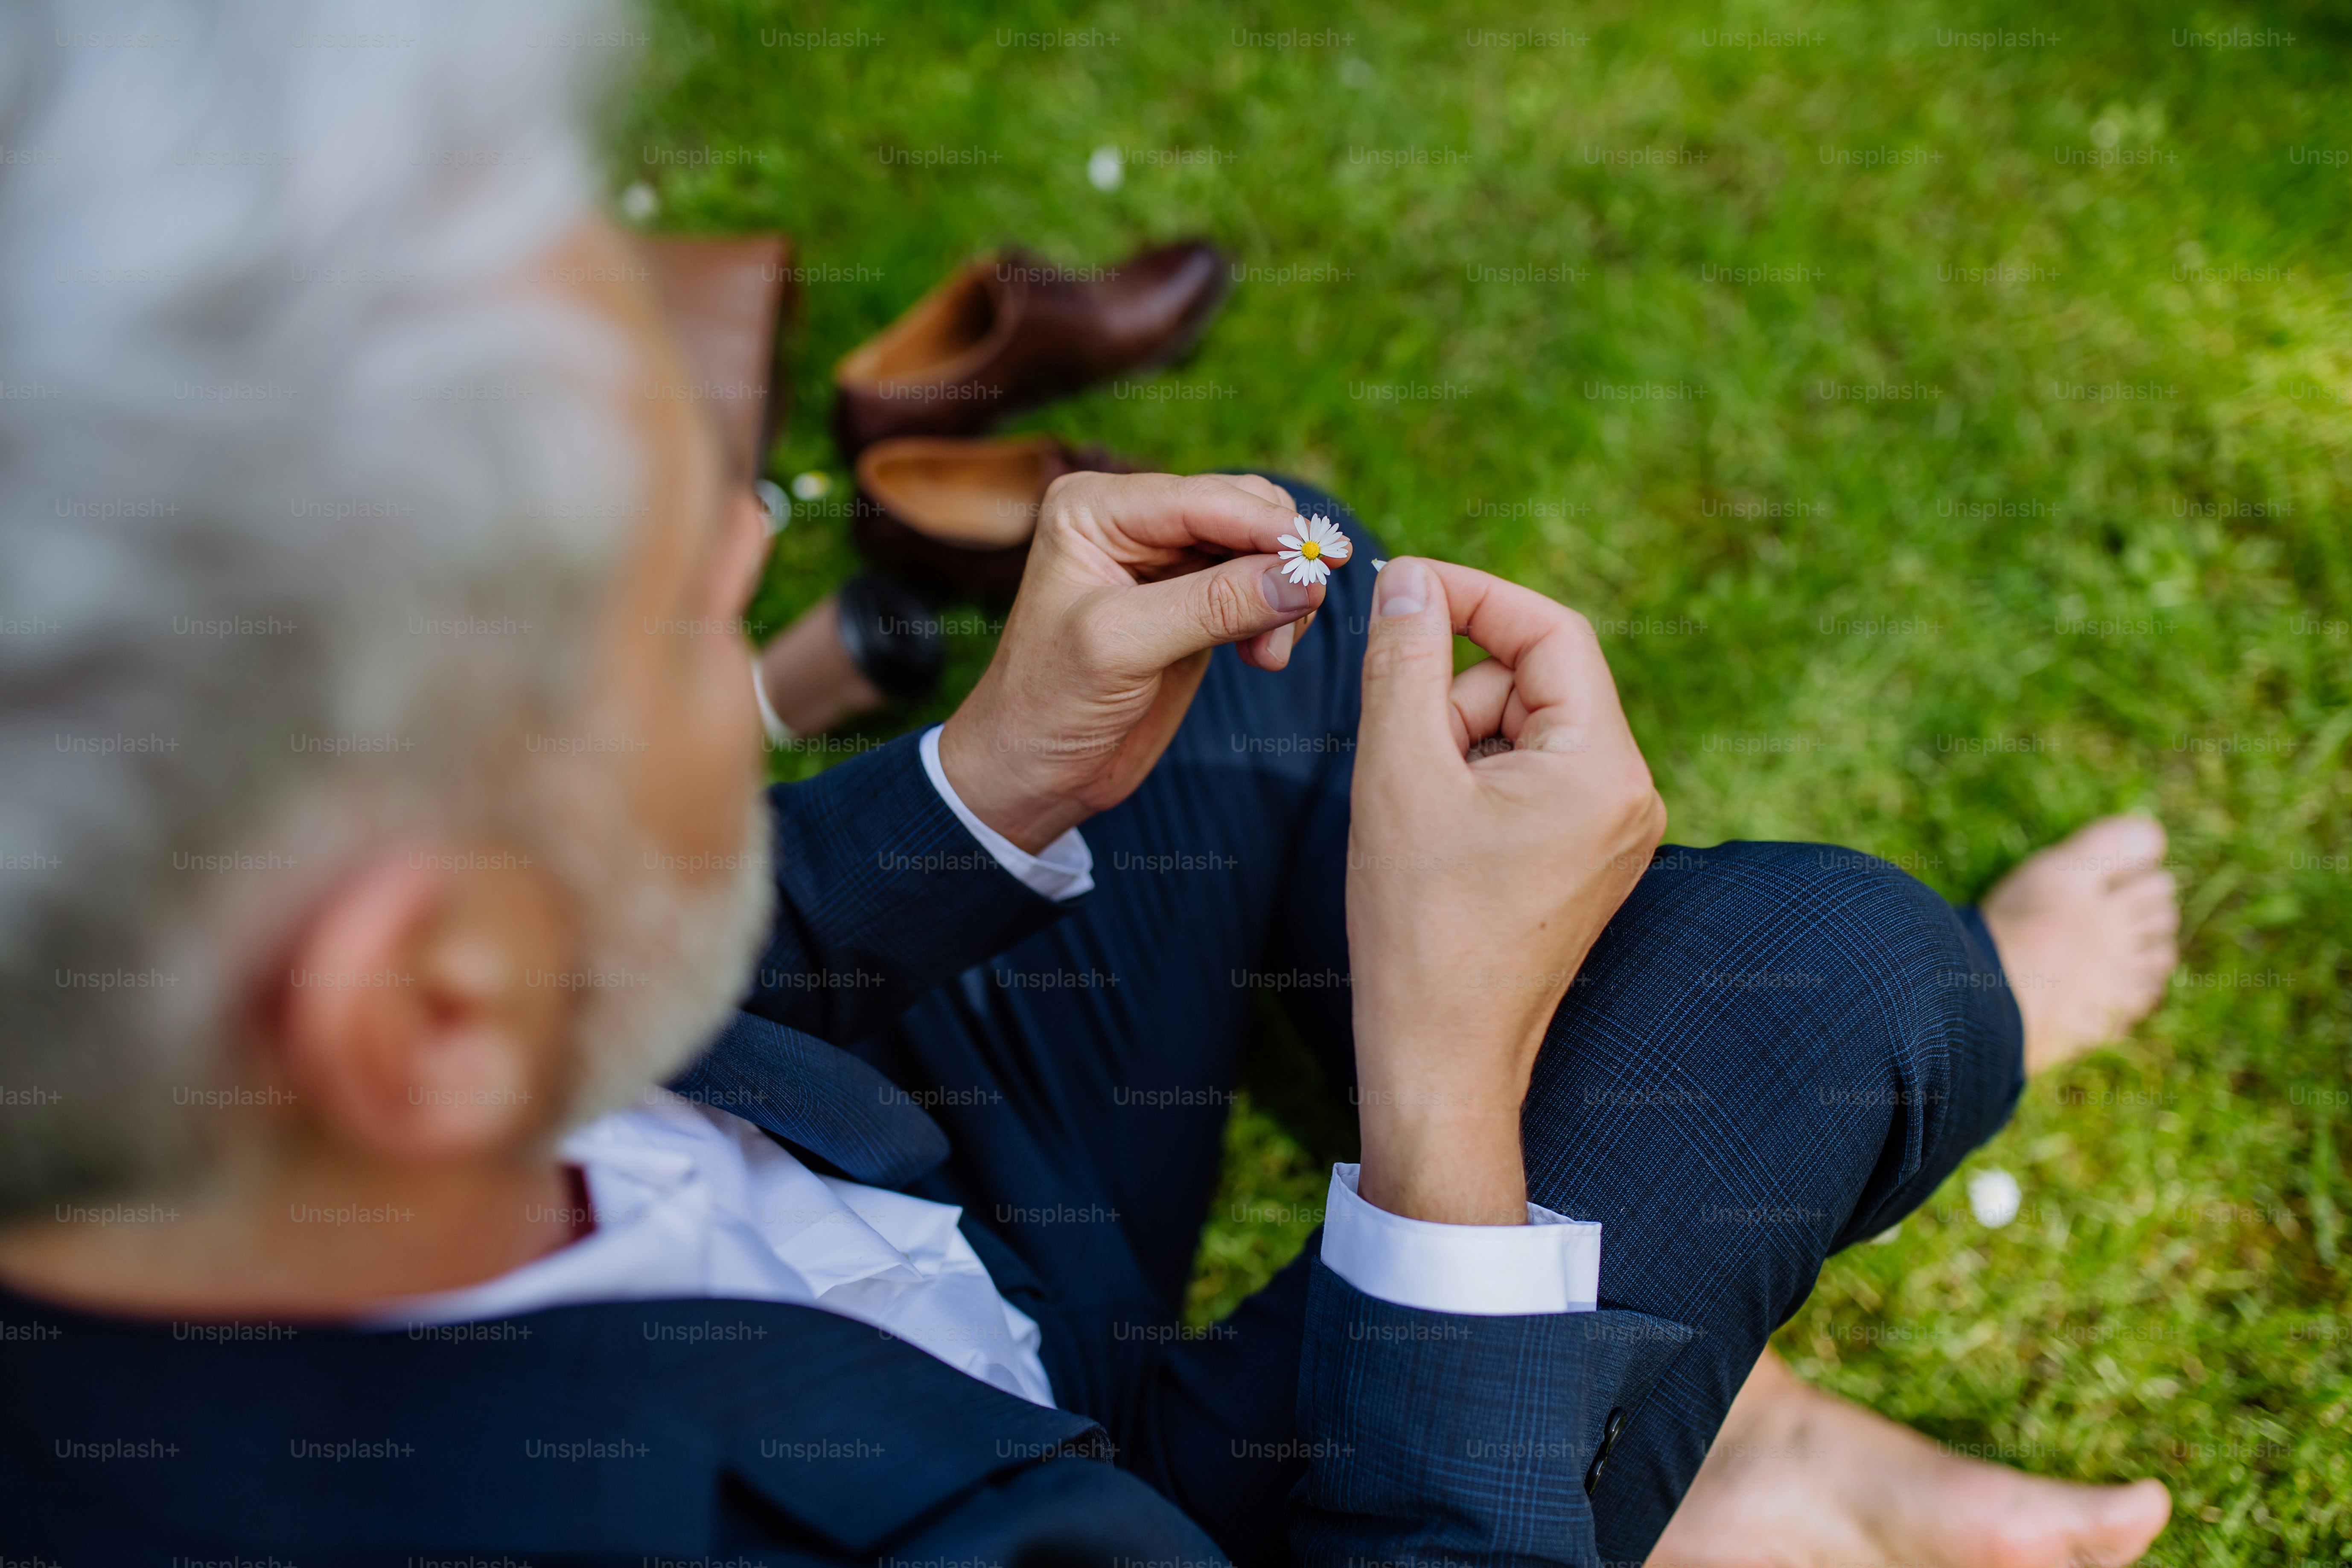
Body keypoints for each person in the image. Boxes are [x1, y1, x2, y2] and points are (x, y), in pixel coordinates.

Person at [0, 5, 2180, 1565]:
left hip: (895, 1214)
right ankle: (1640, 1404)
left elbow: (635, 987)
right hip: (1098, 1496)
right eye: (690, 623)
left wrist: (979, 786)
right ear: (427, 1001)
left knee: (1256, 631)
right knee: (1842, 984)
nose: (782, 576)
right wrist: (1442, 1113)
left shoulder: (180, 1016)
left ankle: (1661, 1379)